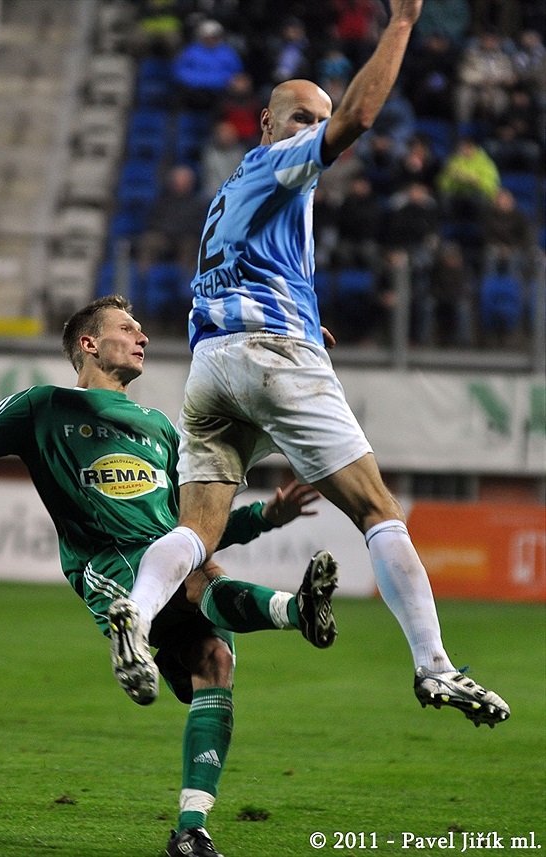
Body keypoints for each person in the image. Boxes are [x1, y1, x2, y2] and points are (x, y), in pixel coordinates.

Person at [108, 0, 511, 731]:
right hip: (270, 356)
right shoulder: (279, 164)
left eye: (313, 118)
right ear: (266, 124)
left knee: (200, 526)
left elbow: (252, 270)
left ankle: (133, 611)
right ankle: (434, 665)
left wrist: (299, 317)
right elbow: (356, 120)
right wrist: (402, 26)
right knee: (378, 510)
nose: (313, 129)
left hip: (213, 367)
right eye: (300, 116)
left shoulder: (227, 195)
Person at [0, 294, 340, 857]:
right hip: (112, 564)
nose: (142, 337)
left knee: (215, 661)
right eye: (127, 327)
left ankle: (190, 830)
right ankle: (291, 612)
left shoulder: (161, 430)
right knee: (199, 577)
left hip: (173, 559)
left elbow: (194, 525)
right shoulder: (44, 407)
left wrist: (264, 516)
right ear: (90, 344)